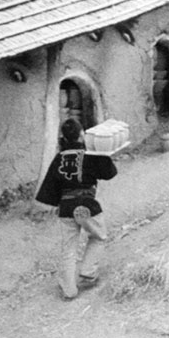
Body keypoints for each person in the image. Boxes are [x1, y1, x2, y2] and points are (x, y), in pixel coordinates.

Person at [36, 118, 118, 300]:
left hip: (66, 208)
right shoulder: (90, 154)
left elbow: (50, 189)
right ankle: (88, 272)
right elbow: (110, 173)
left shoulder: (59, 158)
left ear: (63, 137)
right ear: (82, 134)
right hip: (86, 207)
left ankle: (69, 290)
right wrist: (104, 154)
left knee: (69, 248)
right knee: (99, 236)